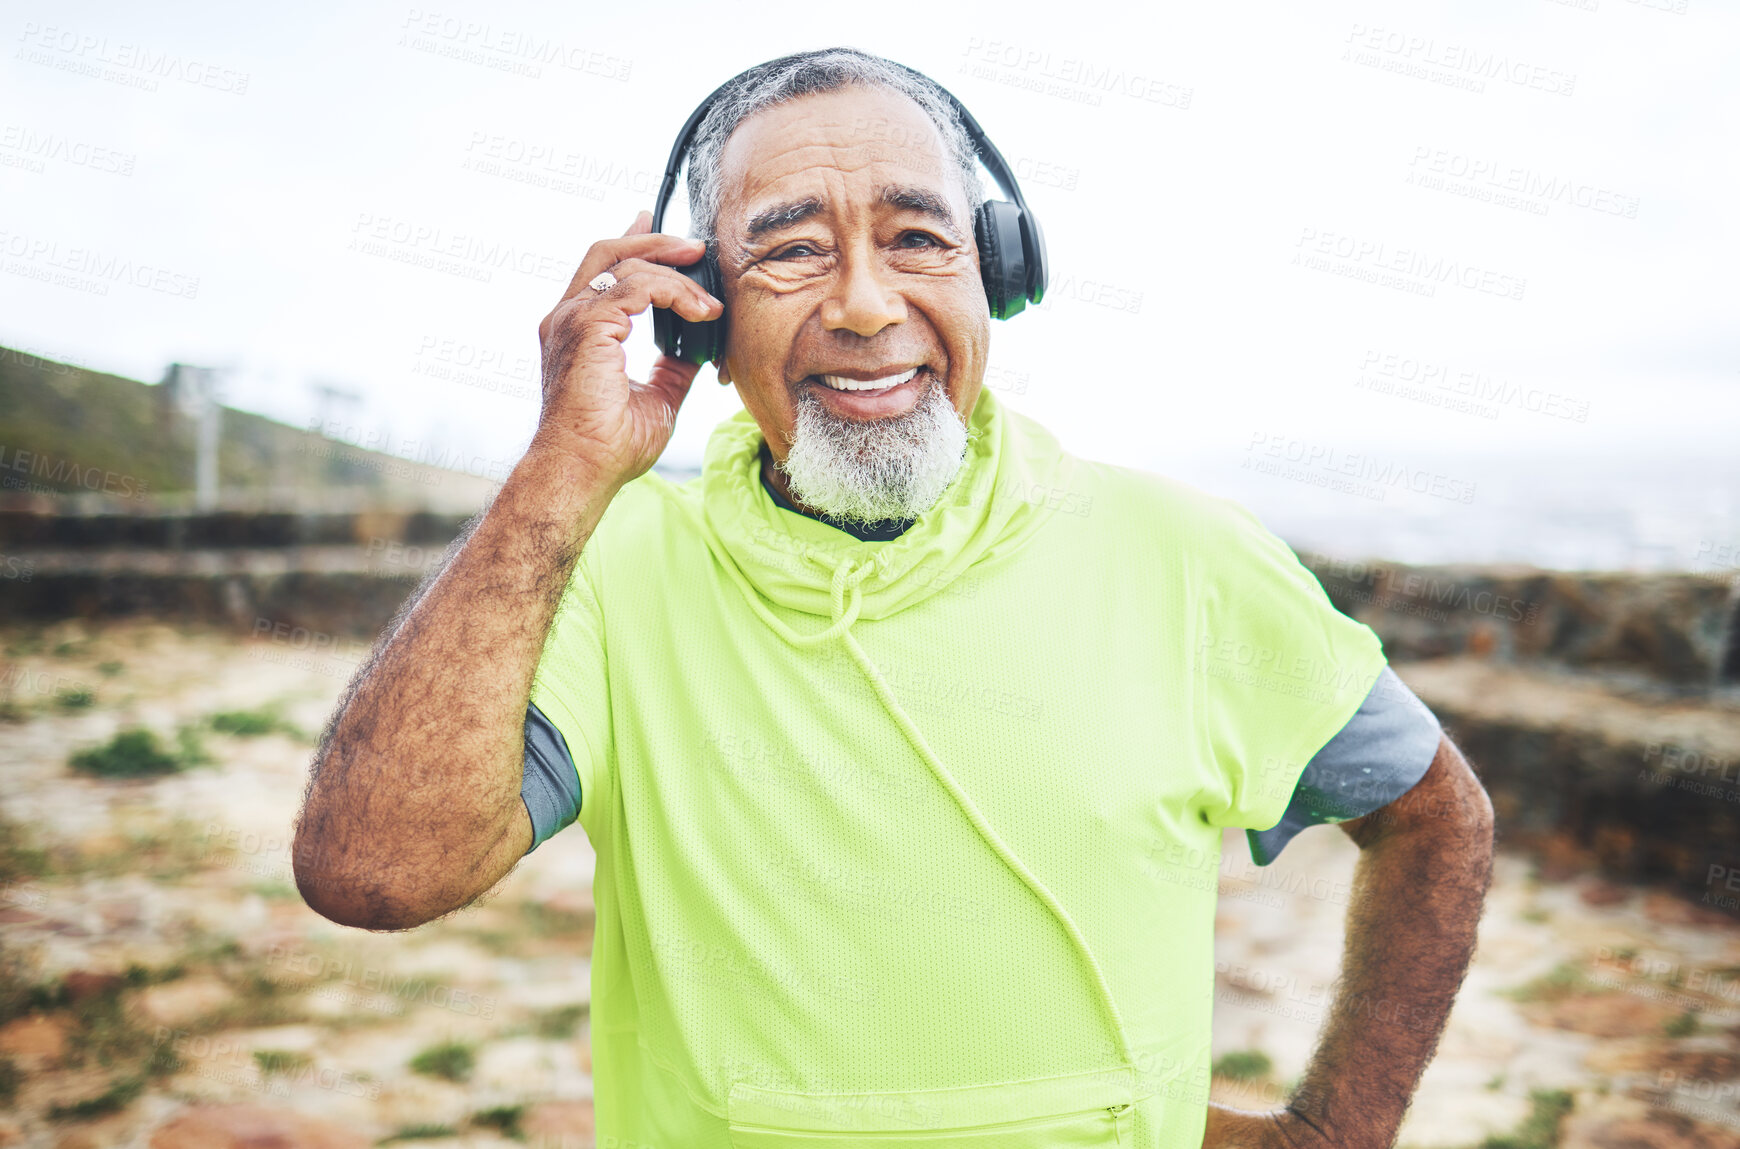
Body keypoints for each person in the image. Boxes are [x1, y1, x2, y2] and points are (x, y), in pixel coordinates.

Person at [293, 47, 1494, 1149]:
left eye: (918, 239)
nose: (866, 305)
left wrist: (1338, 1132)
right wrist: (562, 472)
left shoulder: (1186, 556)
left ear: (998, 274)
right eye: (794, 248)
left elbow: (1435, 818)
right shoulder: (609, 566)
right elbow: (372, 873)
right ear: (695, 305)